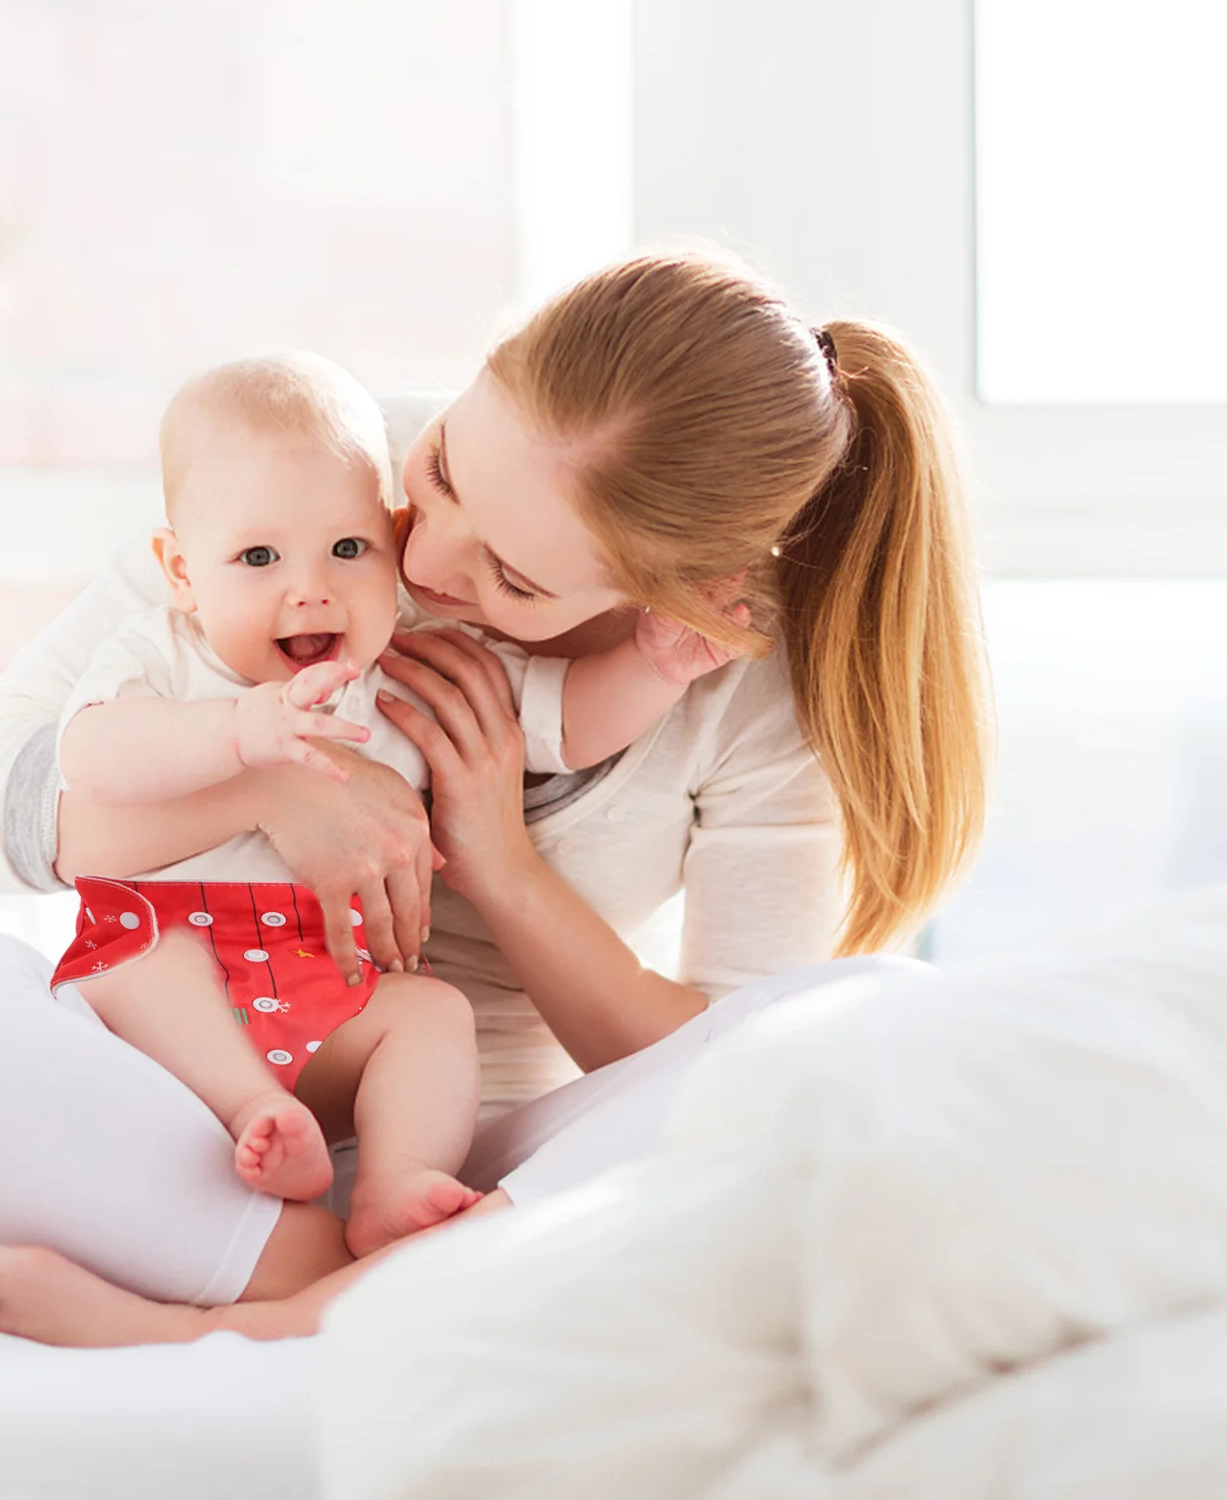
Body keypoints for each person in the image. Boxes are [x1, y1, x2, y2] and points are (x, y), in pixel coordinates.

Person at [0, 249, 991, 1342]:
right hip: (188, 1112)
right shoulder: (312, 488)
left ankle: (227, 1320)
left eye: (514, 579)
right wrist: (271, 787)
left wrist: (496, 859)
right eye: (443, 473)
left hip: (479, 1160)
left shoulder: (744, 687)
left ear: (682, 596)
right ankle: (346, 1279)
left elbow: (734, 1063)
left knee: (852, 1030)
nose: (420, 562)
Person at [53, 353, 726, 1253]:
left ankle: (397, 1183)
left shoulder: (400, 671)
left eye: (348, 548)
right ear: (181, 572)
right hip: (172, 966)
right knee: (135, 965)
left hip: (324, 982)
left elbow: (561, 720)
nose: (311, 587)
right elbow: (89, 756)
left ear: (390, 541)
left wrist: (652, 669)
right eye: (258, 557)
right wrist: (241, 742)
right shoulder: (166, 656)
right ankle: (255, 1113)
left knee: (430, 1016)